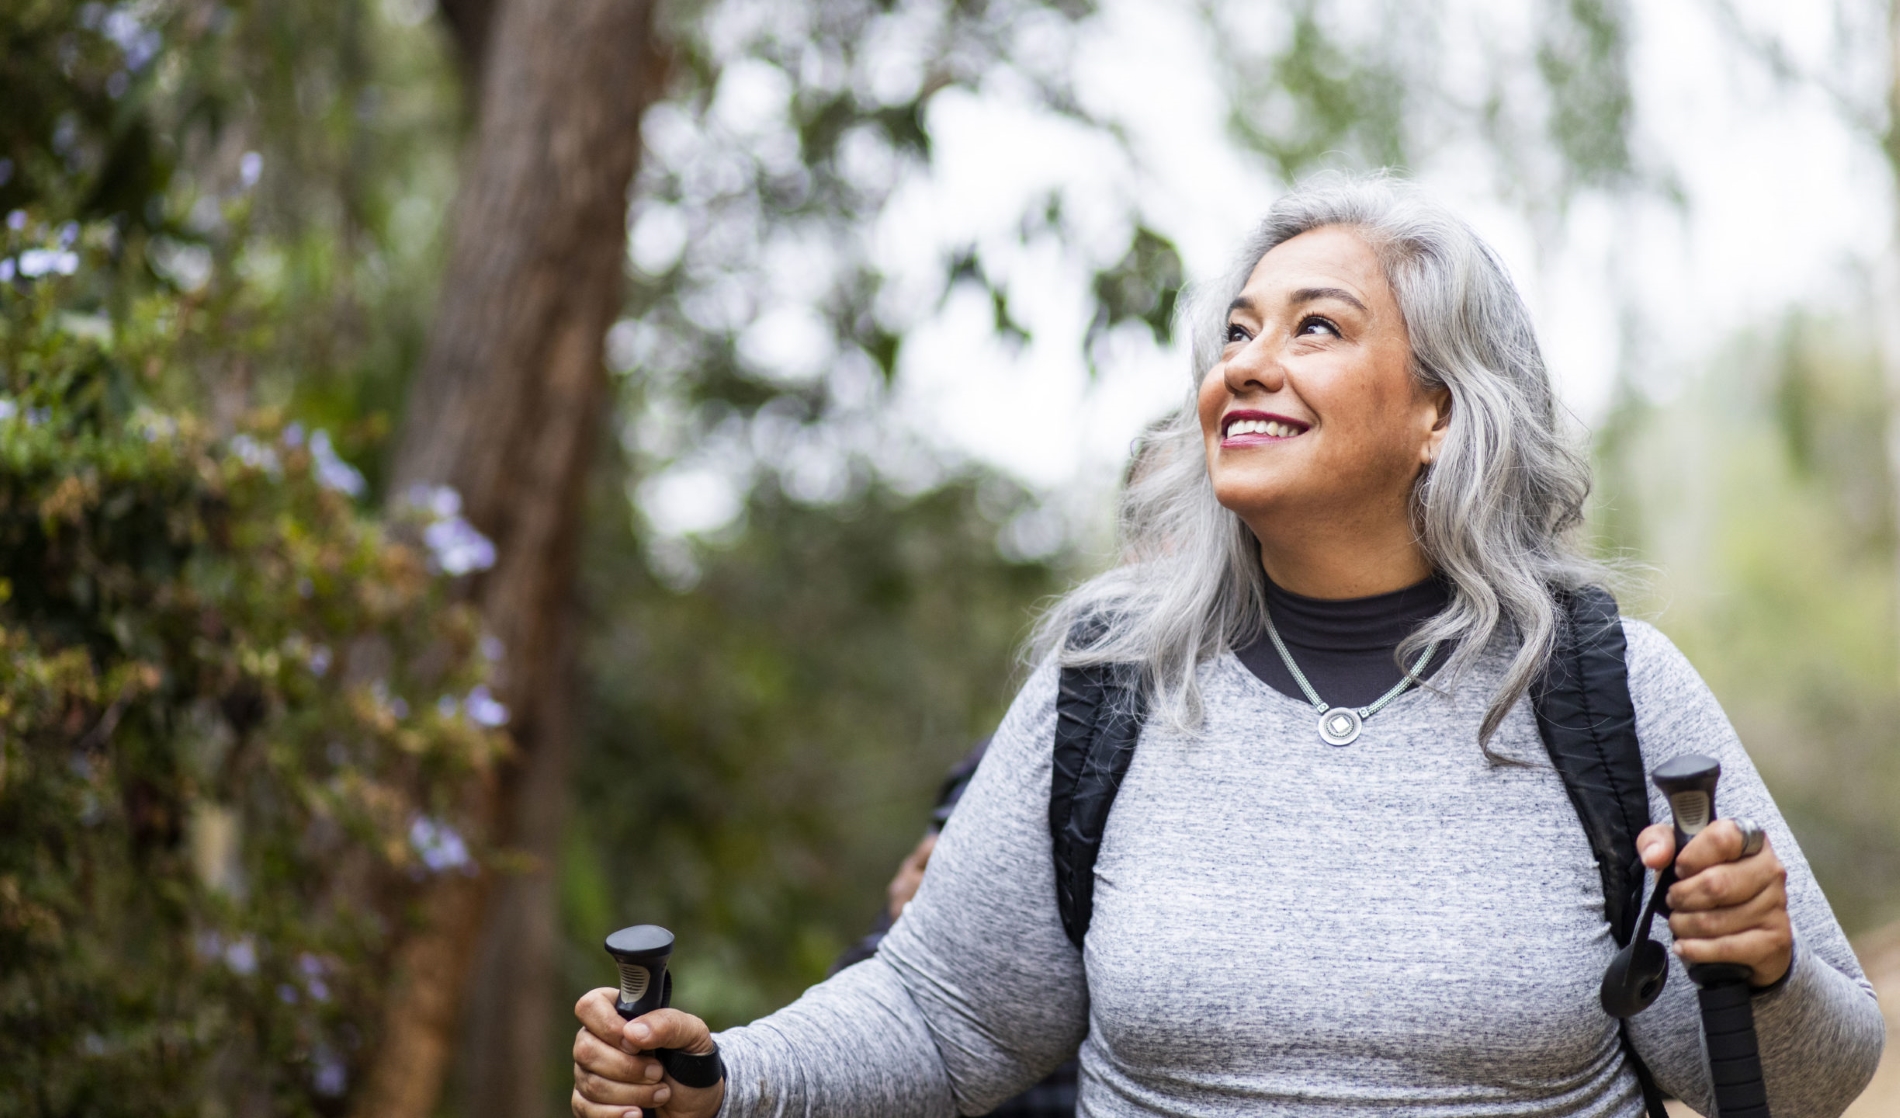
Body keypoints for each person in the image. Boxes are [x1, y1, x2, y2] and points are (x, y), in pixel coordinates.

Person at [571, 174, 1886, 1118]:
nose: (1247, 363)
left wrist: (1756, 960)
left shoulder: (1605, 685)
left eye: (1315, 326)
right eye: (1237, 331)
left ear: (1439, 408)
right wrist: (726, 1076)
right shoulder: (1112, 676)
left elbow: (1811, 1077)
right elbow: (947, 1013)